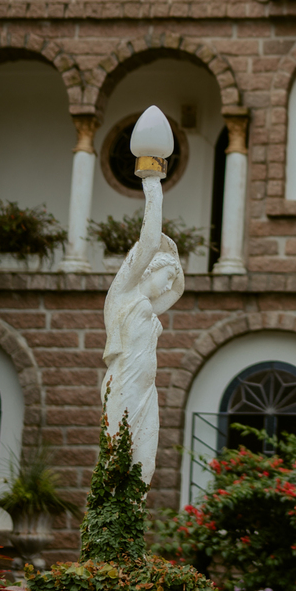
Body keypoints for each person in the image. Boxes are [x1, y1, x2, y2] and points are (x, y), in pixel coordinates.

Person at [100, 173, 185, 485]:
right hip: (125, 385)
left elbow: (178, 292)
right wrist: (153, 189)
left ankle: (131, 527)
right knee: (116, 461)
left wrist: (174, 259)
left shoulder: (150, 307)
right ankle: (108, 528)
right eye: (166, 277)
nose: (167, 286)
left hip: (146, 391)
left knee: (144, 467)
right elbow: (149, 241)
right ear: (150, 269)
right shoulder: (124, 295)